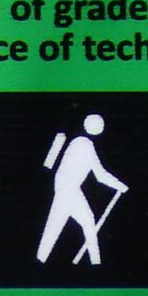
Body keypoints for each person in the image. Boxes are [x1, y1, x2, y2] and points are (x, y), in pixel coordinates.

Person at [37, 112, 127, 267]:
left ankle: (40, 261)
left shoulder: (77, 142)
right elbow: (100, 175)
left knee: (58, 225)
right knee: (84, 222)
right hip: (69, 189)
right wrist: (120, 186)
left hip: (64, 188)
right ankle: (95, 263)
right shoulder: (85, 144)